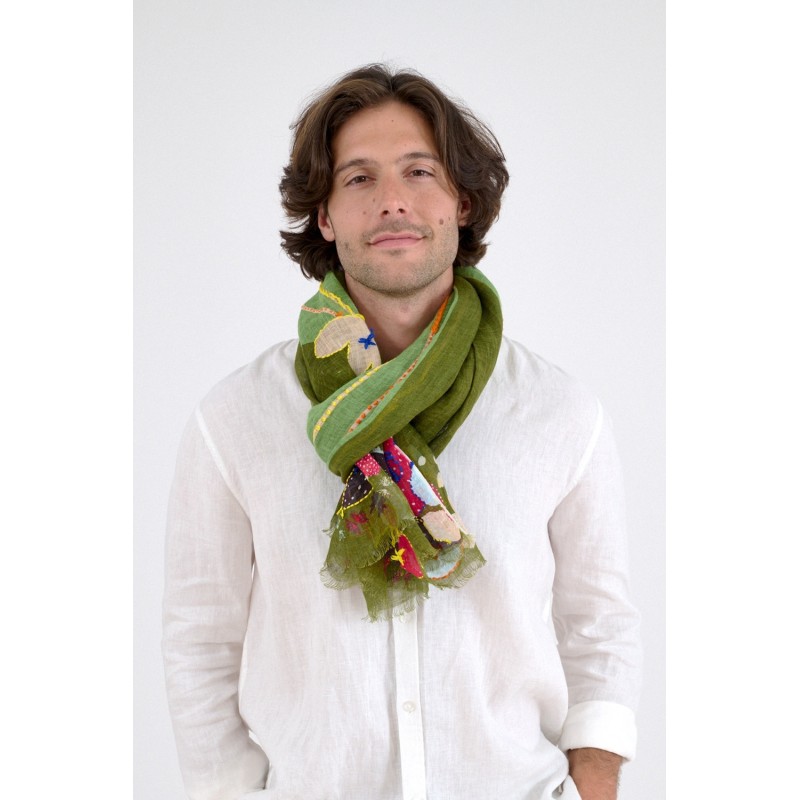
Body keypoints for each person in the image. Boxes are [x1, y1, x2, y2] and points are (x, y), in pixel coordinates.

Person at [162, 64, 642, 800]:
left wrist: (595, 785)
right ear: (325, 216)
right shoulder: (236, 418)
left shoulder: (558, 411)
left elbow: (599, 623)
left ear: (462, 202)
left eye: (420, 171)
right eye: (358, 178)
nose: (391, 200)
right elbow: (201, 636)